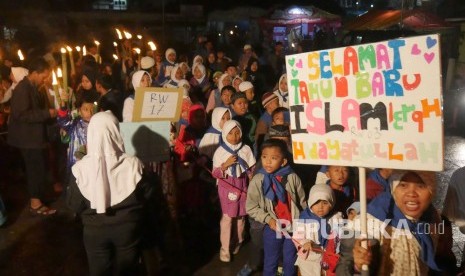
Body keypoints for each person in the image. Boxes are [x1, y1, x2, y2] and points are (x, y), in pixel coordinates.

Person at [66, 111, 153, 276]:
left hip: (94, 230)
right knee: (128, 270)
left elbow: (74, 204)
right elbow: (147, 194)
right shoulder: (134, 164)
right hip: (128, 228)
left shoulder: (80, 169)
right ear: (116, 132)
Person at [336, 170, 456, 275]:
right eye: (403, 185)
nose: (411, 193)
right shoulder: (366, 224)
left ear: (432, 189)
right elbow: (344, 268)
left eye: (421, 185)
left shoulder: (432, 218)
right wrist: (358, 266)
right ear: (393, 188)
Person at [246, 139, 306, 276]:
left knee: (291, 261)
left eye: (274, 158)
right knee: (271, 262)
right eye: (264, 157)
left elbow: (302, 201)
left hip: (293, 227)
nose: (268, 161)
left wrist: (303, 223)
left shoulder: (292, 177)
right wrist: (268, 219)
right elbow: (251, 207)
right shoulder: (258, 180)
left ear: (284, 161)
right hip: (273, 227)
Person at [8, 57, 57, 216]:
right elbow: (21, 114)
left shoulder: (33, 86)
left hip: (33, 138)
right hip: (27, 139)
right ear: (35, 73)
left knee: (39, 168)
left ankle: (37, 198)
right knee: (35, 169)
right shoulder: (23, 88)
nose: (45, 79)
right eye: (43, 76)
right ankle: (35, 203)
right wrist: (46, 113)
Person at [212, 120, 256, 262]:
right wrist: (226, 165)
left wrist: (252, 182)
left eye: (237, 132)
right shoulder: (220, 151)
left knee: (241, 216)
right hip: (227, 185)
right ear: (224, 134)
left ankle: (237, 242)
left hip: (242, 184)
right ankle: (224, 249)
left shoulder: (246, 149)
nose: (234, 136)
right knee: (227, 217)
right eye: (230, 133)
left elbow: (251, 169)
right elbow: (215, 173)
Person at [294, 184, 341, 276]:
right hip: (309, 257)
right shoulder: (304, 219)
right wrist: (305, 242)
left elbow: (340, 233)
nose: (320, 207)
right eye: (316, 202)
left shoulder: (335, 217)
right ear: (310, 203)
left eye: (325, 203)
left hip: (326, 255)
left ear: (331, 203)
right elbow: (297, 236)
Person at [57, 91, 99, 171]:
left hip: (94, 165)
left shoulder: (99, 124)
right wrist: (63, 104)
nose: (89, 112)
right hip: (76, 164)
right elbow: (63, 122)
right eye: (85, 109)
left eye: (92, 109)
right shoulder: (75, 124)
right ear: (79, 111)